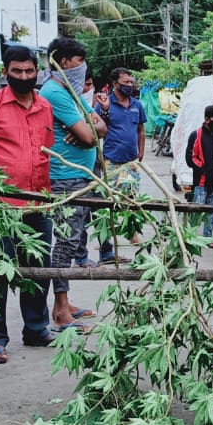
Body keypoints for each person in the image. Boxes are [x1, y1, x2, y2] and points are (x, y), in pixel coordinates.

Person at [0, 45, 57, 364]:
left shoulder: (45, 106)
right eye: (17, 71)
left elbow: (46, 150)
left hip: (39, 203)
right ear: (5, 72)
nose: (23, 76)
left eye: (29, 71)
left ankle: (36, 329)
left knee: (39, 269)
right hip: (0, 207)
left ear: (37, 72)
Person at [40, 37, 104, 330]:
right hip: (64, 178)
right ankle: (60, 308)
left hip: (80, 176)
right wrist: (87, 130)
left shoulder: (72, 90)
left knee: (76, 240)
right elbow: (92, 134)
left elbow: (99, 125)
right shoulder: (55, 92)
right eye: (79, 62)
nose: (83, 68)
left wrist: (87, 127)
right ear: (63, 62)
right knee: (65, 242)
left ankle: (65, 301)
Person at [94, 67, 146, 258]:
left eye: (131, 82)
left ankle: (132, 239)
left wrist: (141, 153)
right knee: (109, 203)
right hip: (111, 162)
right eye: (126, 83)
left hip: (130, 163)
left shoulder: (137, 105)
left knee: (130, 201)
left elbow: (141, 130)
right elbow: (97, 128)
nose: (130, 86)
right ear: (115, 84)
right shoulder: (104, 104)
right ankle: (107, 244)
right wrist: (106, 110)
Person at [186, 105, 213, 245]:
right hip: (201, 181)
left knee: (211, 213)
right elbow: (190, 158)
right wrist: (203, 168)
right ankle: (191, 237)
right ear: (207, 119)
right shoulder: (196, 135)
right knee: (197, 211)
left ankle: (207, 238)